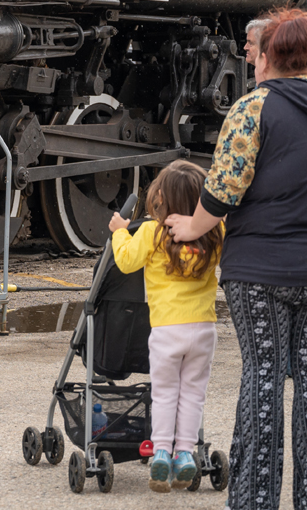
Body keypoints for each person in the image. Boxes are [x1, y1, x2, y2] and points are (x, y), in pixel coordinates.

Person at [167, 8, 307, 510]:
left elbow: (223, 189)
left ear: (271, 56)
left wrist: (190, 226)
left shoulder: (253, 108)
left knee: (263, 378)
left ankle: (253, 500)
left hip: (260, 271)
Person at [108, 160, 223, 492]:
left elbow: (127, 261)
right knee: (192, 395)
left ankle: (161, 452)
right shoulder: (215, 233)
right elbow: (232, 219)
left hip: (166, 331)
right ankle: (185, 454)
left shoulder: (150, 232)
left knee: (164, 394)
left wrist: (119, 232)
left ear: (160, 197)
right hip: (203, 330)